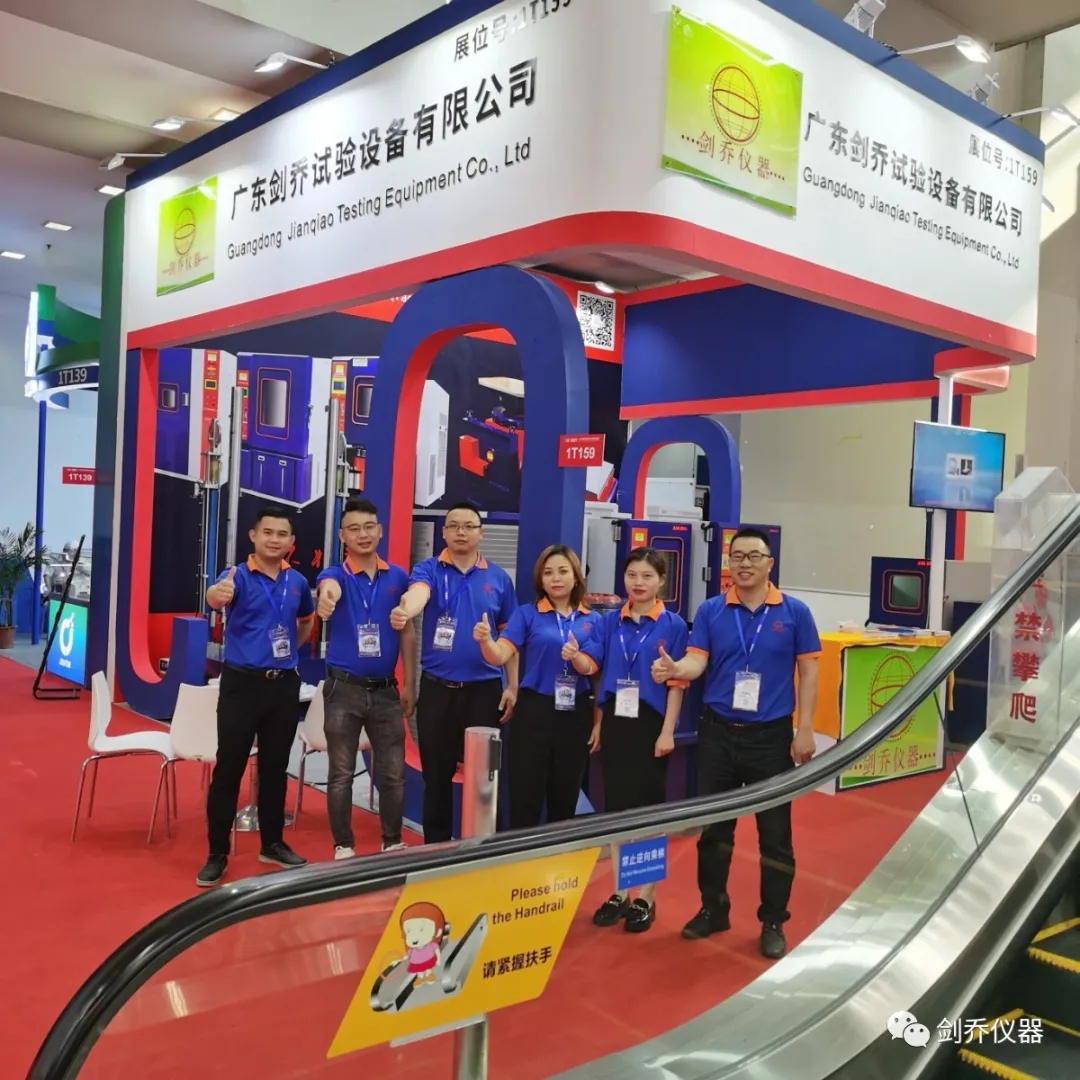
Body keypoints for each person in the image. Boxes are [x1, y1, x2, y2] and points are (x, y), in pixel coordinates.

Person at [651, 527, 820, 959]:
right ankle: (713, 908)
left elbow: (809, 672)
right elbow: (697, 661)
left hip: (771, 738)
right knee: (714, 830)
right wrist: (677, 669)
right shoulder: (711, 610)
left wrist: (804, 728)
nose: (745, 564)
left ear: (769, 563)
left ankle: (772, 920)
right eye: (737, 556)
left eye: (753, 556)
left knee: (775, 836)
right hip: (718, 735)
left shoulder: (795, 612)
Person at [564, 547, 688, 933]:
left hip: (651, 724)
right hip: (616, 719)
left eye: (647, 576)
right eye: (632, 575)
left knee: (648, 813)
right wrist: (577, 659)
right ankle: (620, 891)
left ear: (661, 581)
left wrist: (668, 731)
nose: (638, 583)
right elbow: (597, 669)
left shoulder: (673, 625)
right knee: (616, 810)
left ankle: (646, 897)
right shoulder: (610, 622)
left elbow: (677, 684)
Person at [199, 505, 315, 888]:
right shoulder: (236, 576)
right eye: (268, 532)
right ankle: (217, 853)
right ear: (253, 535)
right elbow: (215, 598)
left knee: (275, 768)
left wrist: (289, 653)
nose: (274, 540)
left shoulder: (297, 581)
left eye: (282, 534)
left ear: (291, 541)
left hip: (282, 685)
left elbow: (305, 621)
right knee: (229, 769)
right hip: (241, 685)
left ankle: (272, 844)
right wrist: (216, 594)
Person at [389, 503, 518, 843]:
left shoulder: (499, 579)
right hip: (438, 692)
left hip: (485, 692)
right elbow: (418, 594)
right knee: (436, 777)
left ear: (481, 533)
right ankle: (436, 851)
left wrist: (513, 686)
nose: (461, 532)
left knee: (485, 777)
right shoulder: (429, 569)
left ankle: (483, 847)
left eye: (469, 526)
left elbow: (509, 639)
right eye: (454, 525)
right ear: (444, 532)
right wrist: (405, 610)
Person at [315, 498, 415, 859]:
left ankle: (392, 841)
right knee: (341, 772)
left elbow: (407, 631)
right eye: (354, 529)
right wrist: (326, 600)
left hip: (386, 691)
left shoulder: (399, 577)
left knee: (393, 773)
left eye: (369, 526)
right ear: (342, 536)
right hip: (343, 689)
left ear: (380, 530)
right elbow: (328, 590)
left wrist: (411, 684)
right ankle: (343, 845)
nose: (363, 534)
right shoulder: (334, 575)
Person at [473, 545, 598, 830]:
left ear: (576, 577)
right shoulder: (527, 614)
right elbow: (501, 654)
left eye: (563, 571)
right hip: (534, 710)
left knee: (564, 797)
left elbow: (595, 672)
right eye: (548, 572)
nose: (556, 578)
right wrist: (486, 642)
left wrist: (598, 722)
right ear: (540, 579)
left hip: (575, 713)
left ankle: (559, 855)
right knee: (524, 796)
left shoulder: (593, 620)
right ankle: (521, 853)